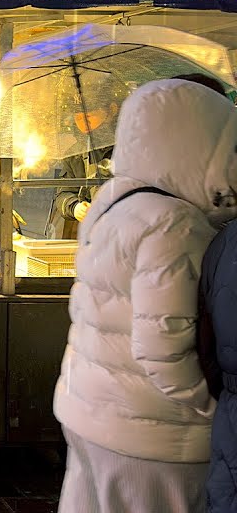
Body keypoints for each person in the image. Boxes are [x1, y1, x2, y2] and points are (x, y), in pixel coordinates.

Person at [54, 79, 237, 512]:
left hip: (86, 410)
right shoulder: (174, 222)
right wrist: (206, 410)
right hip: (151, 436)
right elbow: (162, 347)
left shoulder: (113, 200)